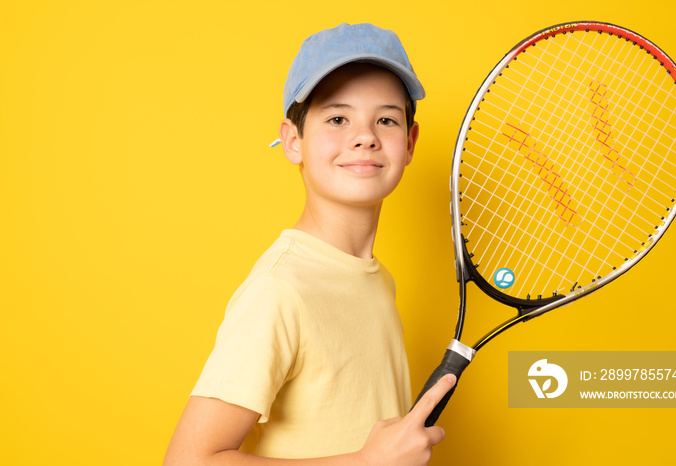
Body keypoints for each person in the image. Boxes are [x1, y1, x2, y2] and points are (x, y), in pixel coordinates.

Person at [163, 23, 456, 465]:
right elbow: (188, 460)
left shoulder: (376, 280)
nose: (365, 136)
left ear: (410, 143)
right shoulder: (280, 289)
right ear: (292, 141)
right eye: (338, 118)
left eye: (387, 119)